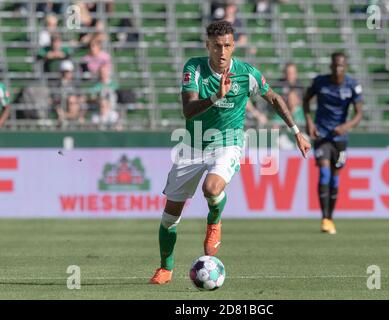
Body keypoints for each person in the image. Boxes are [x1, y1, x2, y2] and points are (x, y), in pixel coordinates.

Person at [149, 20, 311, 284]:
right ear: (207, 46)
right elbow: (188, 111)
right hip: (193, 145)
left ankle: (214, 222)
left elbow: (274, 99)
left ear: (233, 45)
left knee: (212, 188)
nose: (221, 52)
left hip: (228, 143)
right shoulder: (194, 68)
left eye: (226, 46)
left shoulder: (246, 74)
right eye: (216, 46)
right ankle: (165, 268)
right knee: (170, 217)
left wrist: (296, 132)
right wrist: (216, 97)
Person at [303, 52, 363, 235]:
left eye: (341, 66)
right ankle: (325, 218)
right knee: (324, 174)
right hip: (321, 135)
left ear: (346, 67)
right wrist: (309, 122)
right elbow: (305, 100)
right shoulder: (320, 82)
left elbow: (359, 113)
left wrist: (347, 126)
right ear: (330, 66)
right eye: (335, 65)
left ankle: (331, 216)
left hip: (340, 138)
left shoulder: (353, 85)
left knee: (335, 178)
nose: (338, 69)